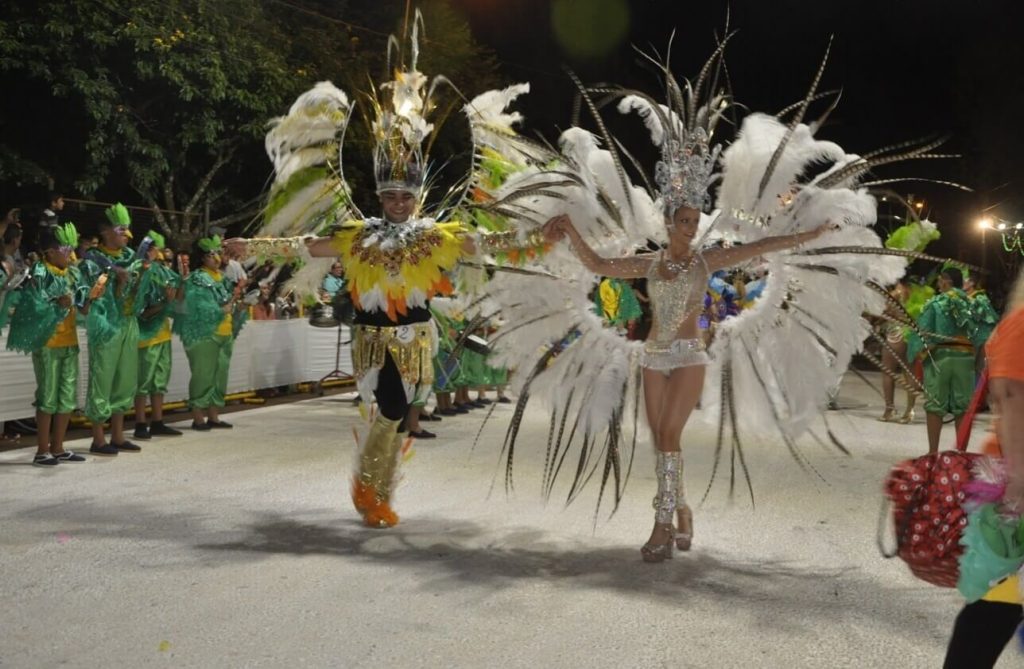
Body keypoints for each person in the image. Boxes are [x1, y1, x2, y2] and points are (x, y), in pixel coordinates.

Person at [543, 211, 835, 561]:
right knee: (662, 441)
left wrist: (813, 231)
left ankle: (662, 524)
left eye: (695, 221)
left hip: (689, 357)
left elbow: (764, 245)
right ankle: (682, 510)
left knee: (668, 434)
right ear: (668, 225)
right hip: (653, 357)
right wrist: (572, 227)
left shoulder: (707, 261)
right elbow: (599, 264)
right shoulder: (649, 263)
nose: (692, 227)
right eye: (684, 221)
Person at [943, 270, 1024, 668]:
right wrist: (1018, 491)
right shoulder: (1023, 324)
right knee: (996, 604)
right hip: (1015, 488)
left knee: (1000, 606)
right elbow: (1012, 402)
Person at [6, 223, 101, 465]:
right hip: (47, 342)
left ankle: (59, 448)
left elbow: (82, 308)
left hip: (69, 341)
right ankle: (41, 451)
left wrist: (91, 297)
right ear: (49, 251)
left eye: (70, 247)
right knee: (47, 396)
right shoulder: (39, 272)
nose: (69, 253)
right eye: (64, 248)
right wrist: (55, 304)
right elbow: (31, 307)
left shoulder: (73, 273)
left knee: (67, 397)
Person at [907, 266, 997, 454]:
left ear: (947, 280)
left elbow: (921, 335)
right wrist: (975, 354)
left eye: (940, 280)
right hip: (965, 359)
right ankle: (961, 454)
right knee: (964, 407)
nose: (938, 285)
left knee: (934, 406)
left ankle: (933, 453)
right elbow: (985, 332)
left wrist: (919, 354)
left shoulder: (936, 303)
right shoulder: (974, 303)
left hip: (940, 359)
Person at [79, 204, 144, 456]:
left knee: (124, 380)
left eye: (127, 230)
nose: (126, 235)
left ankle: (117, 435)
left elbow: (137, 293)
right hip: (105, 325)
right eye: (121, 229)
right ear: (106, 231)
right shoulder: (92, 261)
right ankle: (98, 438)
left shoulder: (130, 257)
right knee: (102, 379)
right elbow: (88, 298)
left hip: (128, 322)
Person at [173, 235, 247, 431]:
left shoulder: (222, 277)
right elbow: (200, 307)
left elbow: (228, 301)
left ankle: (214, 415)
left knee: (220, 374)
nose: (217, 258)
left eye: (218, 253)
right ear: (203, 258)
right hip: (204, 334)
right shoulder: (197, 277)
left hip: (224, 332)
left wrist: (238, 305)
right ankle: (198, 416)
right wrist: (222, 309)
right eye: (212, 254)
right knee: (203, 374)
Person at [133, 231, 184, 439]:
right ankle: (139, 423)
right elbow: (141, 311)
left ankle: (157, 421)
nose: (160, 254)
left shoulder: (162, 271)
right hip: (146, 336)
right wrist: (164, 303)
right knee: (143, 382)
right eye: (157, 249)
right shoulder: (139, 271)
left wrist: (183, 277)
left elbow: (178, 296)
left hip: (162, 334)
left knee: (160, 381)